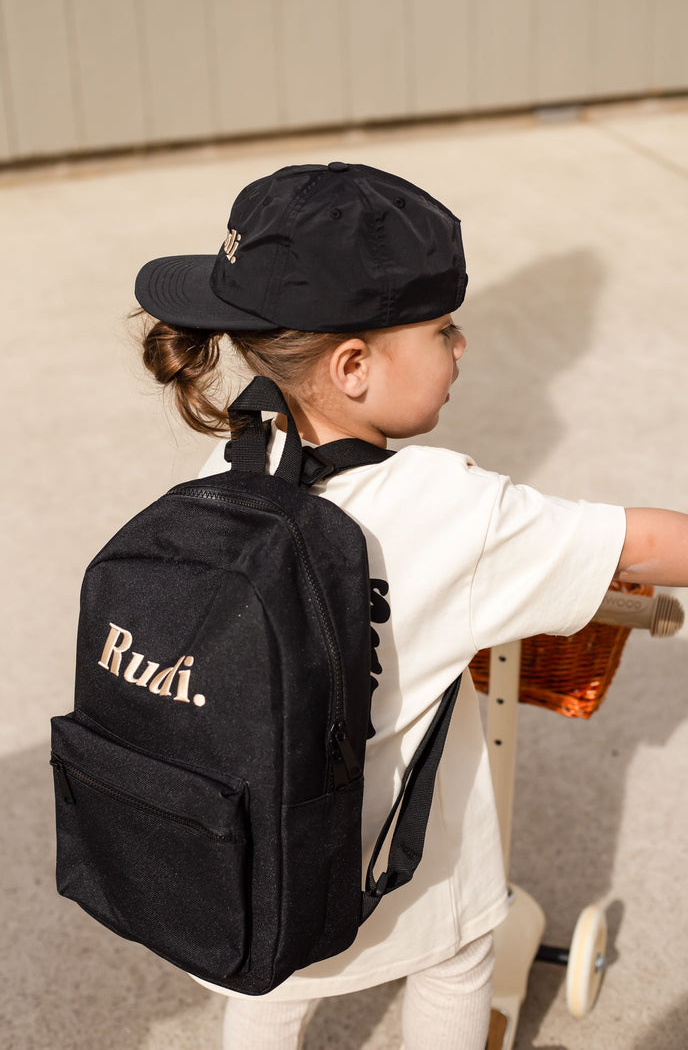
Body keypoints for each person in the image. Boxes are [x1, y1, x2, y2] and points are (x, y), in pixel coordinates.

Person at [133, 162, 688, 1050]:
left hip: (253, 870)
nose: (462, 347)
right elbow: (651, 545)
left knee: (268, 994)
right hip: (405, 873)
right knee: (461, 953)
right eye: (444, 328)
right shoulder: (453, 507)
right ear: (353, 367)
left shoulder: (221, 473)